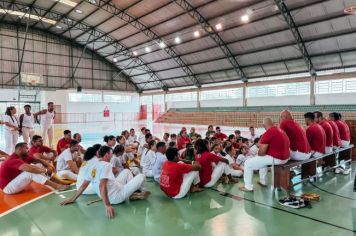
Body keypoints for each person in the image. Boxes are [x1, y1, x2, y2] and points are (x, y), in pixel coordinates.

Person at [60, 146, 150, 219]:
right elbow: (102, 186)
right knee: (142, 176)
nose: (112, 155)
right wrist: (107, 205)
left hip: (114, 190)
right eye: (111, 154)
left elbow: (84, 185)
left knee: (126, 172)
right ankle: (135, 193)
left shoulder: (93, 166)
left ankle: (131, 193)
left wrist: (73, 199)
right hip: (116, 196)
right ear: (107, 154)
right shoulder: (106, 165)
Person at [239, 118, 290, 192]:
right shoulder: (281, 131)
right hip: (286, 158)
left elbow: (261, 153)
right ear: (272, 123)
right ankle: (263, 181)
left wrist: (260, 146)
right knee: (263, 162)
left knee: (247, 163)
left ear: (263, 125)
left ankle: (248, 187)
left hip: (277, 159)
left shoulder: (268, 133)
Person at [0, 143, 68, 194]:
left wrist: (49, 166)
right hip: (8, 188)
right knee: (29, 172)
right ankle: (56, 186)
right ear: (19, 149)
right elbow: (31, 169)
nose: (28, 149)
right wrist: (46, 170)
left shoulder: (24, 156)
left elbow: (38, 160)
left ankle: (55, 180)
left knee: (38, 165)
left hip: (14, 182)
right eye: (26, 148)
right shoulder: (13, 159)